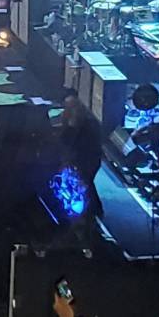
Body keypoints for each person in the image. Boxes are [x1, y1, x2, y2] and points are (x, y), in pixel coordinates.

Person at [59, 87, 106, 220]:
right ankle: (93, 209)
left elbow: (69, 137)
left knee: (85, 182)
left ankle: (92, 210)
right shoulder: (88, 119)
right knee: (86, 182)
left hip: (86, 159)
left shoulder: (77, 119)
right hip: (91, 158)